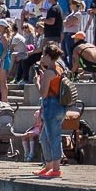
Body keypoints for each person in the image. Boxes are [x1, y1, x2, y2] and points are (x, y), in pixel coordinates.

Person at [36, 43, 66, 179]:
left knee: (53, 137)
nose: (42, 57)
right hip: (60, 106)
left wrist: (38, 80)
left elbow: (43, 93)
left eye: (43, 54)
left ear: (48, 56)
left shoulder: (49, 73)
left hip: (51, 106)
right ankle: (48, 166)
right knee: (43, 137)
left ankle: (56, 169)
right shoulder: (59, 68)